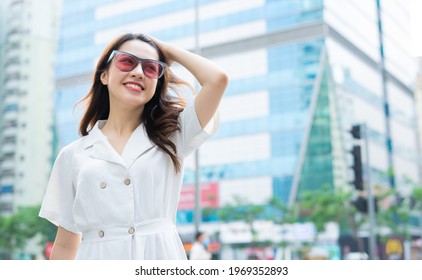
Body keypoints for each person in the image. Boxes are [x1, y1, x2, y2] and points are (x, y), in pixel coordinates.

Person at [39, 33, 228, 260]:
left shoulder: (174, 134)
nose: (138, 72)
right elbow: (66, 246)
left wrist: (167, 50)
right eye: (127, 61)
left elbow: (217, 79)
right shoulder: (73, 155)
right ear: (105, 75)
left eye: (151, 68)